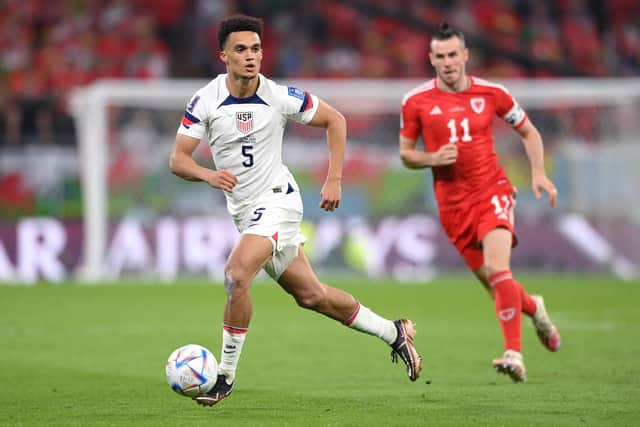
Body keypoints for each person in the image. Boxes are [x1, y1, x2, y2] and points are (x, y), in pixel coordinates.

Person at [169, 14, 422, 407]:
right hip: (246, 212)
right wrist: (207, 175)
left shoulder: (278, 95)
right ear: (224, 56)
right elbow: (177, 160)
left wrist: (334, 178)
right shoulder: (205, 100)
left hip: (278, 201)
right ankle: (395, 331)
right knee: (312, 296)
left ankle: (224, 376)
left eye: (255, 48)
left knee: (237, 276)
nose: (250, 56)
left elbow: (334, 120)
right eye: (240, 49)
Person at [398, 22, 560, 383]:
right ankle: (535, 307)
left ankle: (514, 354)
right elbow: (406, 155)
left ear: (465, 55)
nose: (448, 62)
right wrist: (433, 158)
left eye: (453, 54)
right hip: (452, 207)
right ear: (431, 59)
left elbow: (529, 131)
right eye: (440, 56)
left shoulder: (492, 93)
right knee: (495, 282)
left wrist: (538, 173)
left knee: (498, 268)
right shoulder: (415, 101)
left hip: (493, 192)